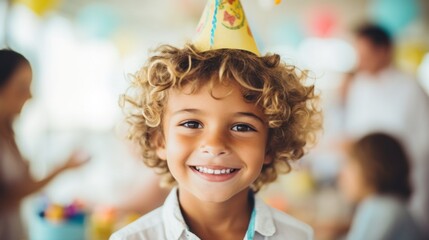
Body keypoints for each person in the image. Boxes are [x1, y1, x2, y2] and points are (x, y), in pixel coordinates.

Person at [110, 0, 321, 239]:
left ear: (270, 145)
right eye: (191, 124)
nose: (215, 145)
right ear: (159, 140)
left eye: (242, 127)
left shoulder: (298, 236)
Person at [340, 23, 429, 234]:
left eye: (365, 54)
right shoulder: (359, 86)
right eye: (357, 54)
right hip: (367, 180)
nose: (360, 61)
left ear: (384, 50)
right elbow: (355, 130)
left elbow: (424, 140)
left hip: (401, 182)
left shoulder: (410, 88)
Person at [0, 49, 89, 240]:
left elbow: (26, 184)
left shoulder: (9, 132)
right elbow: (9, 195)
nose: (29, 96)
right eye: (22, 87)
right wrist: (62, 168)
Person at [338, 133, 423, 240]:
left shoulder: (381, 208)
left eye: (350, 163)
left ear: (371, 168)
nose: (342, 174)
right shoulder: (390, 207)